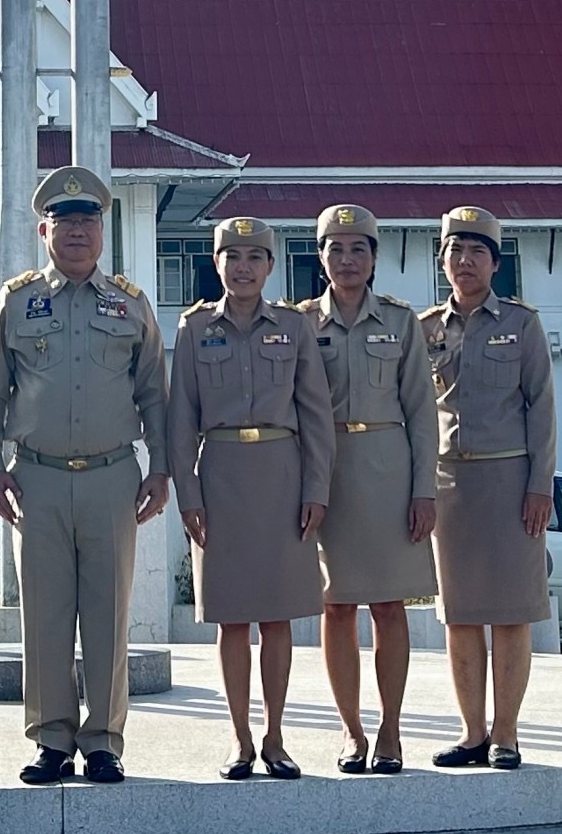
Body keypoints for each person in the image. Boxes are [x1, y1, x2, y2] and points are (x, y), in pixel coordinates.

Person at [0, 165, 169, 786]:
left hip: (113, 476)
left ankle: (105, 739)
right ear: (44, 230)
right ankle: (51, 738)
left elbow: (154, 396)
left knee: (109, 613)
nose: (78, 231)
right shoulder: (18, 298)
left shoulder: (131, 303)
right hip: (36, 476)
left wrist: (160, 467)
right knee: (46, 615)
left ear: (102, 229)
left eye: (88, 220)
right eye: (65, 221)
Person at [167, 216, 333, 781]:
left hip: (282, 476)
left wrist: (317, 488)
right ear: (216, 264)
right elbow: (180, 418)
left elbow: (316, 415)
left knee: (278, 617)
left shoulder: (294, 325)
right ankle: (239, 739)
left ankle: (277, 737)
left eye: (254, 258)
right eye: (231, 257)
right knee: (231, 619)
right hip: (221, 478)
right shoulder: (193, 328)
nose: (242, 268)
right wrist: (187, 493)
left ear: (269, 266)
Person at [293, 202, 436, 776]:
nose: (347, 259)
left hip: (387, 468)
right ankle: (351, 730)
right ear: (320, 256)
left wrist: (423, 488)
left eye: (358, 249)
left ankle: (391, 729)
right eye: (335, 248)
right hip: (324, 472)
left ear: (374, 258)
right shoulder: (300, 322)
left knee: (388, 604)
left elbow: (423, 413)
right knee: (335, 605)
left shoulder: (403, 322)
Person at [421, 206, 556, 771]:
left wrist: (539, 486)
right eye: (456, 251)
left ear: (495, 263)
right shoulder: (425, 328)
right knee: (460, 613)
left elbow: (542, 407)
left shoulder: (522, 325)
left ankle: (506, 734)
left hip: (510, 483)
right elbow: (413, 412)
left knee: (511, 614)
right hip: (450, 483)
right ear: (443, 261)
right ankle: (472, 732)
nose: (465, 261)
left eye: (477, 251)